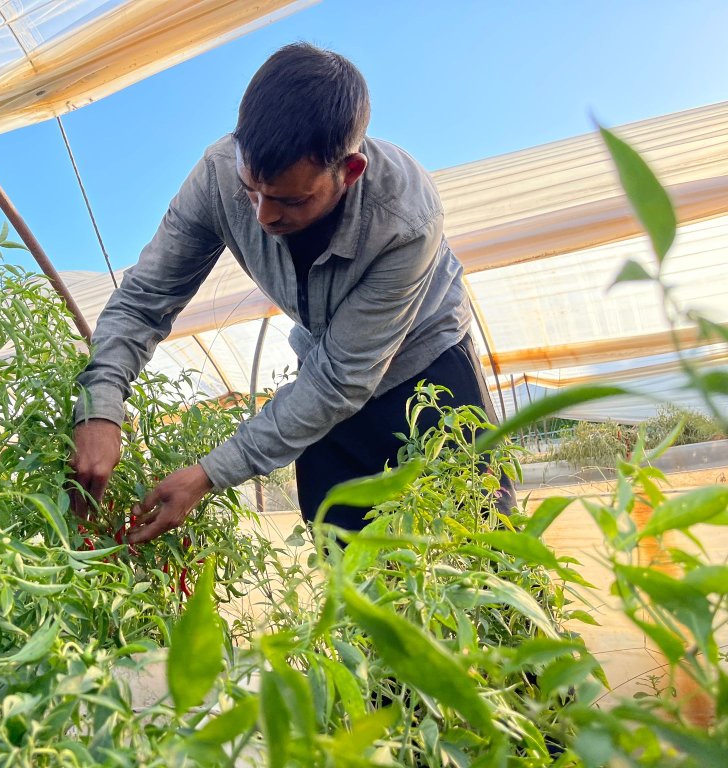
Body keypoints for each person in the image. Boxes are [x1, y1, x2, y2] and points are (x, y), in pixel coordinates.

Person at [69, 43, 510, 544]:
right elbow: (144, 298)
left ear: (349, 172)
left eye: (290, 200)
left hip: (427, 374)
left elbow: (343, 379)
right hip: (325, 365)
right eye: (250, 191)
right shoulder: (216, 176)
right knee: (346, 559)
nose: (262, 217)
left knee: (479, 551)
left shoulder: (406, 217)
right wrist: (99, 406)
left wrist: (208, 473)